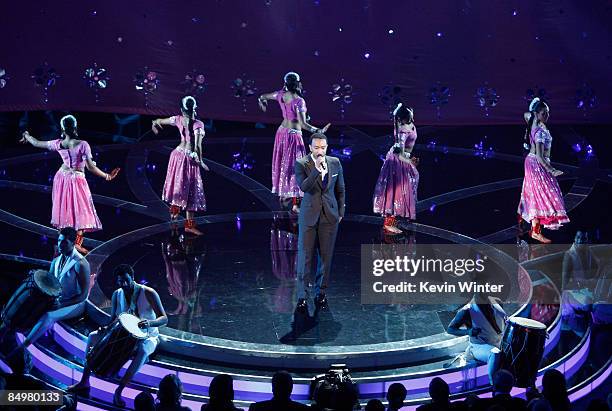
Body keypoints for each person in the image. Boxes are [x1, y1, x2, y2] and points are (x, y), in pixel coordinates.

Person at [67, 264, 168, 407]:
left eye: (126, 280)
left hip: (148, 336)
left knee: (143, 351)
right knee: (92, 336)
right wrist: (105, 329)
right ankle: (84, 381)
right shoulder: (117, 294)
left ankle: (119, 391)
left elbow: (164, 318)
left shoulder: (149, 293)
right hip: (123, 334)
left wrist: (150, 323)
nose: (124, 284)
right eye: (120, 281)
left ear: (132, 277)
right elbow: (113, 319)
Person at [20, 114, 120, 253]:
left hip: (61, 178)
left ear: (62, 128)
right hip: (76, 180)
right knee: (82, 212)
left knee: (64, 212)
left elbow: (37, 143)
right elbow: (90, 167)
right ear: (75, 127)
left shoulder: (58, 143)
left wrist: (27, 135)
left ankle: (64, 244)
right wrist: (107, 176)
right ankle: (77, 244)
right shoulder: (82, 144)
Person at [258, 72, 330, 213]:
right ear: (297, 83)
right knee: (297, 168)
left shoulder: (279, 95)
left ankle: (284, 195)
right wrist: (319, 131)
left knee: (284, 165)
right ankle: (296, 204)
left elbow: (262, 96)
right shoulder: (299, 101)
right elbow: (304, 124)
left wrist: (262, 104)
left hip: (281, 133)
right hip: (293, 136)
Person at [13, 227, 90, 352]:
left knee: (49, 315)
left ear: (73, 243)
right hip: (60, 299)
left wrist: (61, 304)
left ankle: (21, 348)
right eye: (59, 241)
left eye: (64, 242)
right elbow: (50, 285)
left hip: (77, 304)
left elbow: (83, 295)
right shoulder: (56, 261)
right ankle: (17, 329)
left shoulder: (81, 263)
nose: (60, 244)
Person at [294, 133, 345, 313]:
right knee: (305, 257)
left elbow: (340, 189)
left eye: (323, 147)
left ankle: (321, 293)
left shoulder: (335, 163)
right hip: (309, 216)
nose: (320, 151)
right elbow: (304, 187)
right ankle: (302, 296)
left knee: (325, 257)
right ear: (310, 148)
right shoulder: (301, 164)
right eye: (316, 148)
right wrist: (316, 168)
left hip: (329, 217)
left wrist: (340, 211)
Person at [152, 96, 209, 235]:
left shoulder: (177, 119)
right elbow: (197, 147)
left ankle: (174, 216)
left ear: (182, 109)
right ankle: (189, 225)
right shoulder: (198, 124)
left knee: (178, 186)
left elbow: (158, 121)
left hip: (176, 156)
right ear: (194, 109)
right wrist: (201, 162)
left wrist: (155, 124)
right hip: (189, 159)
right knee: (191, 191)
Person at [517, 98, 569, 243]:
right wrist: (552, 170)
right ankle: (535, 231)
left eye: (548, 112)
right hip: (536, 163)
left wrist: (536, 105)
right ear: (537, 113)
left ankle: (530, 226)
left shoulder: (533, 122)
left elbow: (527, 114)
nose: (547, 115)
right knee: (541, 195)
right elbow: (540, 156)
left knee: (535, 193)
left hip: (533, 162)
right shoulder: (539, 131)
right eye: (543, 113)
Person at [373, 103, 419, 234]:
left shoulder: (409, 123)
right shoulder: (403, 130)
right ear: (403, 118)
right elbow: (399, 154)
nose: (411, 117)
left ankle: (395, 220)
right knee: (395, 191)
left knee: (404, 190)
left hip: (403, 159)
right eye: (409, 115)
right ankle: (388, 224)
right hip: (398, 161)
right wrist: (410, 161)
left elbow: (396, 116)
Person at [446, 294, 506, 384]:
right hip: (478, 346)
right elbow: (450, 329)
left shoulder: (497, 302)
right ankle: (494, 386)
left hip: (498, 342)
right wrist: (468, 332)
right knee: (494, 353)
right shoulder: (467, 310)